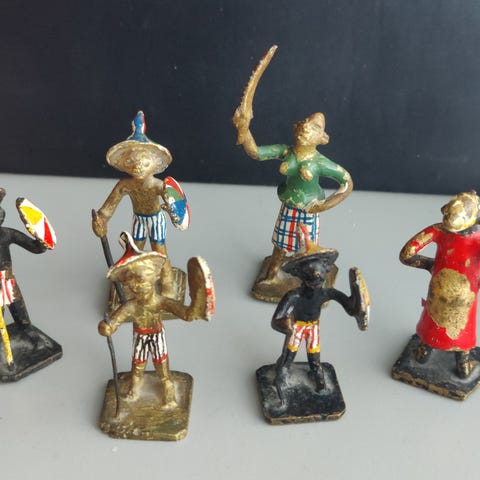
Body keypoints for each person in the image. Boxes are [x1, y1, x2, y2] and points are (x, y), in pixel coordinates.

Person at [234, 111, 353, 285]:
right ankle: (272, 275)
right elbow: (256, 152)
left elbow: (347, 183)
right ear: (296, 128)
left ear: (323, 138)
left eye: (315, 127)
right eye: (305, 122)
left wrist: (324, 205)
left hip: (309, 209)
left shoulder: (320, 162)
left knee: (308, 247)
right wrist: (244, 128)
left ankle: (308, 280)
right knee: (280, 244)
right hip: (289, 206)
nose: (306, 127)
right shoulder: (286, 151)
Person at [98, 231, 213, 405]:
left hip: (157, 335)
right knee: (137, 365)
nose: (136, 286)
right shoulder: (131, 306)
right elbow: (115, 321)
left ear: (154, 277)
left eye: (141, 280)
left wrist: (195, 307)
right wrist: (107, 327)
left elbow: (185, 313)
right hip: (140, 336)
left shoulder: (160, 301)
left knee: (162, 365)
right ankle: (134, 388)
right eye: (130, 281)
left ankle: (168, 389)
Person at [92, 111, 179, 297]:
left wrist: (173, 213)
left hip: (156, 220)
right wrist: (101, 219)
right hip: (139, 220)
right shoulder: (125, 185)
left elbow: (174, 205)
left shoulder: (158, 185)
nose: (138, 166)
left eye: (144, 162)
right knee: (133, 251)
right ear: (125, 163)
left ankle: (167, 283)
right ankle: (132, 282)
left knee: (159, 251)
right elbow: (109, 207)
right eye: (132, 161)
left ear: (155, 163)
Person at [400, 191, 480, 378]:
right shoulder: (477, 237)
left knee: (432, 323)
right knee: (463, 329)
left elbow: (407, 255)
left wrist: (432, 266)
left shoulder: (438, 230)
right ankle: (463, 367)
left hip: (439, 285)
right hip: (466, 292)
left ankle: (422, 355)